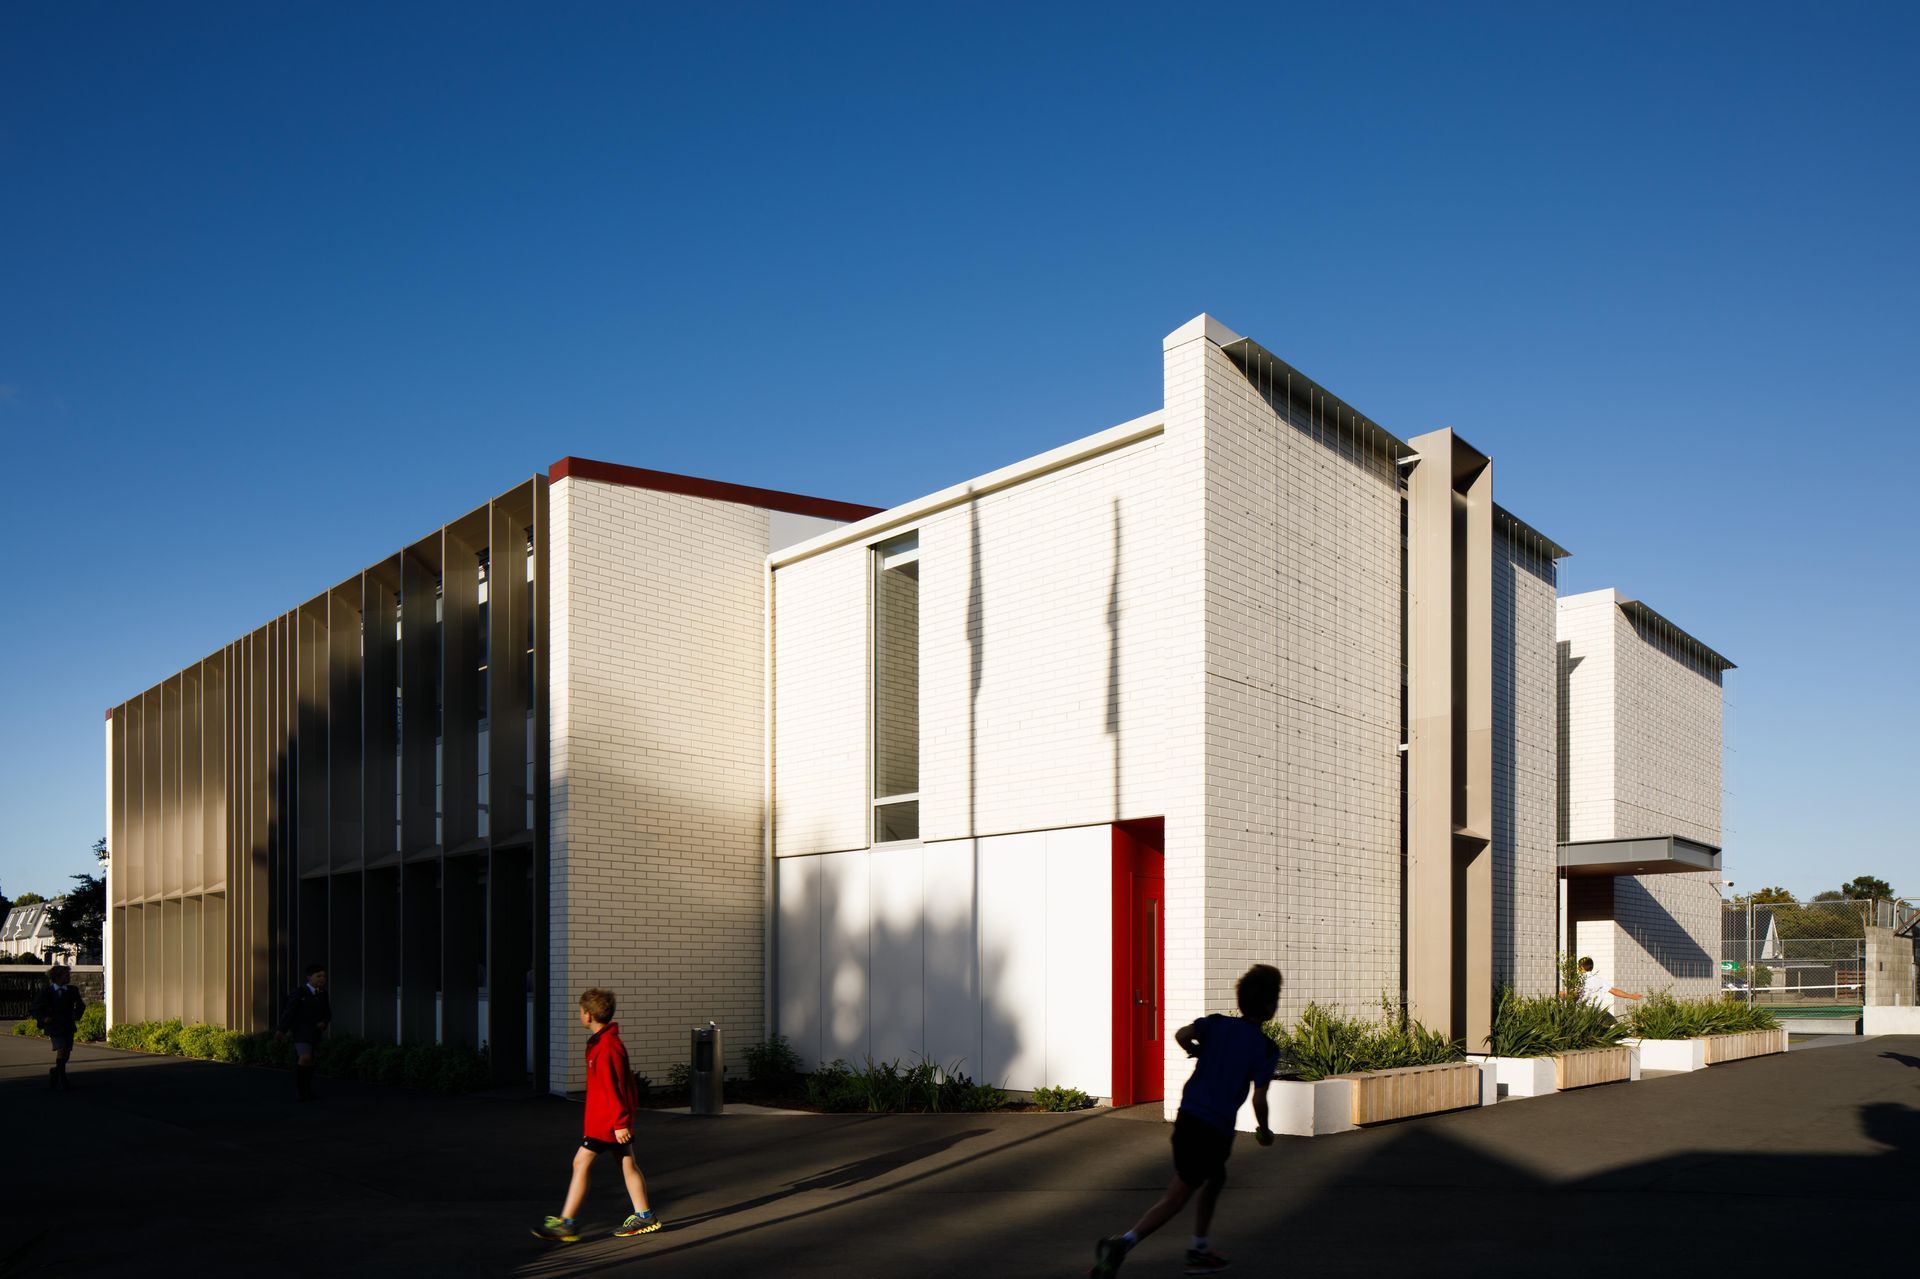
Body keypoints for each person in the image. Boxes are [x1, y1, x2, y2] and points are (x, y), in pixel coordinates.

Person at [1092, 963, 1282, 1277]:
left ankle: (1198, 1247)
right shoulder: (1265, 1048)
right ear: (1269, 1006)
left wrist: (1195, 1050)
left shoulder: (1216, 1024)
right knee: (1178, 1196)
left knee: (1213, 1179)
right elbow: (1259, 1098)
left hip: (1188, 1116)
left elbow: (1182, 1034)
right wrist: (1264, 1129)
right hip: (1214, 1129)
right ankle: (1125, 1243)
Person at [531, 988, 661, 1243]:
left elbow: (615, 1088)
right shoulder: (601, 1043)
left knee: (581, 1163)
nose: (580, 1015)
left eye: (580, 1011)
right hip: (608, 1122)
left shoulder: (608, 1047)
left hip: (607, 1124)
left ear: (588, 1015)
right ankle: (644, 1215)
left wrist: (621, 1123)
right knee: (626, 1163)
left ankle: (566, 1223)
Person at [276, 962, 332, 1102]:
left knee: (310, 1061)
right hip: (301, 1031)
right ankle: (301, 1092)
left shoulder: (323, 994)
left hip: (315, 1032)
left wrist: (324, 1022)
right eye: (318, 976)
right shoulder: (300, 993)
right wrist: (281, 1029)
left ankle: (307, 1090)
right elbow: (289, 1011)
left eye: (324, 976)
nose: (322, 979)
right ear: (309, 977)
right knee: (305, 1057)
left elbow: (327, 1012)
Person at [29, 964, 87, 1092]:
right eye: (66, 975)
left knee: (66, 1052)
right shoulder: (47, 991)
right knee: (61, 1048)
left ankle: (55, 1071)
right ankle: (63, 1079)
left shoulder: (72, 990)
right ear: (58, 977)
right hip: (54, 1026)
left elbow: (81, 1006)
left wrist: (76, 1015)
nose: (69, 977)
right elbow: (34, 1008)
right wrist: (44, 1019)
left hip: (68, 1025)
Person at [1575, 956, 1642, 1019]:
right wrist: (1630, 996)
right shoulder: (1599, 980)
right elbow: (1614, 991)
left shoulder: (1578, 980)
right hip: (1596, 1013)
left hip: (1582, 1013)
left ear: (1581, 967)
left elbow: (1574, 995)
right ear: (1591, 967)